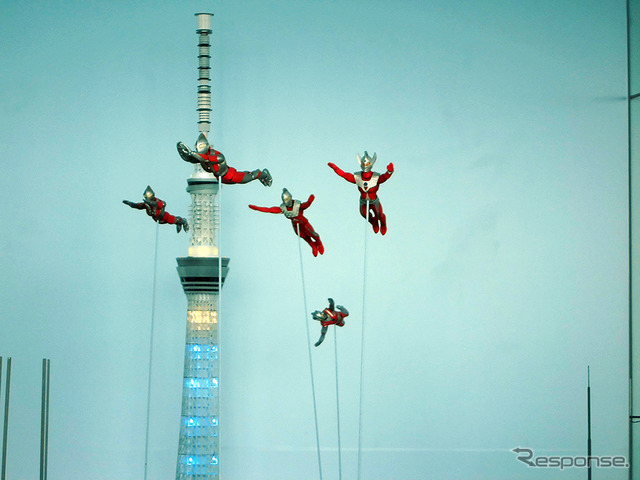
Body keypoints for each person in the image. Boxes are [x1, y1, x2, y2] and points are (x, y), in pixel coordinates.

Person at [328, 151, 394, 234]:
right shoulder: (358, 177)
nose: (365, 166)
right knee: (364, 214)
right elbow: (344, 175)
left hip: (374, 201)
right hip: (363, 201)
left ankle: (383, 224)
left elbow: (383, 178)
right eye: (364, 164)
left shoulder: (376, 177)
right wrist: (335, 168)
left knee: (379, 215)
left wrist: (389, 172)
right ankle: (374, 222)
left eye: (367, 164)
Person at [249, 188, 324, 256]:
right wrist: (257, 208)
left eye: (288, 199)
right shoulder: (283, 208)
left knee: (313, 235)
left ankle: (319, 243)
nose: (287, 202)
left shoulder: (297, 205)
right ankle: (313, 246)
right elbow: (269, 210)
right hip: (295, 226)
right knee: (304, 236)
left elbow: (305, 205)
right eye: (285, 200)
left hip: (304, 224)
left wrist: (310, 201)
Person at [177, 133, 272, 186]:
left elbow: (208, 159)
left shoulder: (218, 156)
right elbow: (194, 160)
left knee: (248, 177)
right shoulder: (203, 158)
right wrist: (188, 155)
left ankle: (262, 174)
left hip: (231, 175)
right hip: (222, 179)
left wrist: (193, 153)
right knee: (246, 174)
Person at [123, 186, 188, 233]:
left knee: (172, 220)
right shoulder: (146, 204)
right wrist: (130, 204)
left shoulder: (157, 201)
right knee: (171, 222)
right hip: (157, 219)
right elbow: (138, 206)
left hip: (163, 216)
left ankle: (183, 221)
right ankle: (178, 223)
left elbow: (162, 204)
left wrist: (152, 203)